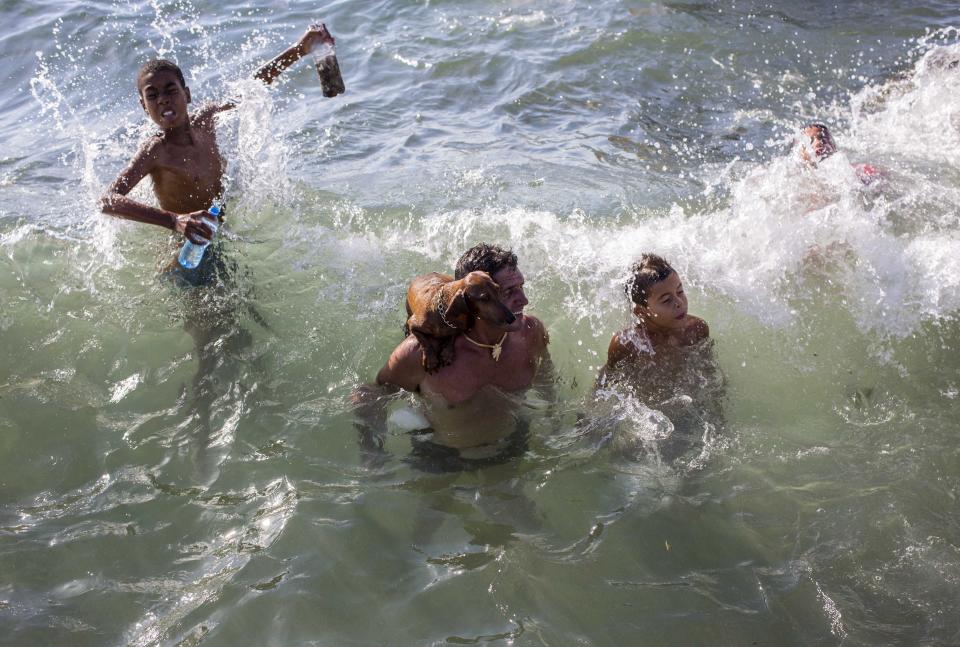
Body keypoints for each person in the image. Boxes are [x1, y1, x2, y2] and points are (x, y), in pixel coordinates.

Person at [101, 24, 336, 257]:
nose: (162, 100)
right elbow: (108, 200)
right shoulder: (156, 150)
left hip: (219, 234)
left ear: (187, 94)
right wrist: (174, 221)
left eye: (170, 90)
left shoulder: (206, 120)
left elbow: (252, 87)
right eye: (152, 95)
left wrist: (299, 50)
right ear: (144, 107)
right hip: (186, 248)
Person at [352, 243, 552, 468]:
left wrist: (554, 418)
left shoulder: (531, 332)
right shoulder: (422, 354)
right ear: (470, 301)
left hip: (513, 443)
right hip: (441, 456)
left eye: (521, 287)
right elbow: (369, 394)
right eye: (508, 292)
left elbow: (547, 376)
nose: (523, 300)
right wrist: (372, 450)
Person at [603, 253, 709, 376]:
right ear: (641, 311)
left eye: (680, 291)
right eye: (666, 300)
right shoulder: (627, 344)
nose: (679, 302)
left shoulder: (696, 329)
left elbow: (708, 370)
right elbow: (608, 378)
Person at [797, 122, 881, 184]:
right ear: (800, 154)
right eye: (810, 141)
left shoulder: (855, 171)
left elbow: (880, 176)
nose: (818, 142)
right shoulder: (796, 182)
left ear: (834, 147)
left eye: (822, 138)